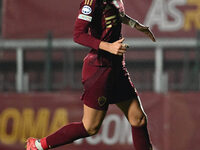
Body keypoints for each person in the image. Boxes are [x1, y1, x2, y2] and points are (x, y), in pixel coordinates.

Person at [26, 0, 156, 150]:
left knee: (138, 119)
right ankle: (37, 146)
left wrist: (136, 25)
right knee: (90, 127)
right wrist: (109, 47)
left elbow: (117, 15)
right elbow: (78, 35)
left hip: (117, 69)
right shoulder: (91, 2)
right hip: (99, 69)